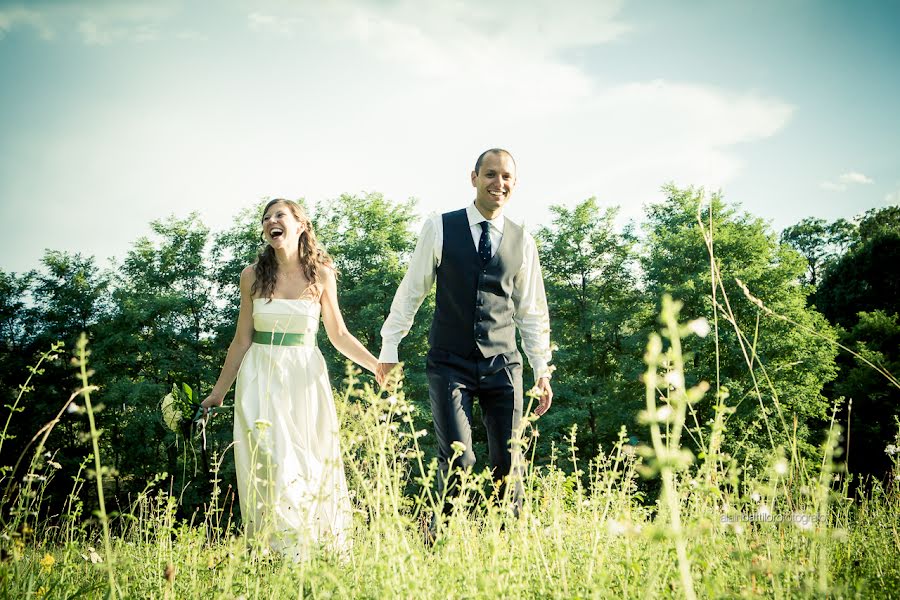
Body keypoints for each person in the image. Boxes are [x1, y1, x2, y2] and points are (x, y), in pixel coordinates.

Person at [377, 148, 554, 532]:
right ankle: (436, 538)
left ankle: (507, 548)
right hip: (449, 362)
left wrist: (542, 368)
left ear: (515, 184)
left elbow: (531, 311)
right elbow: (412, 291)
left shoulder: (523, 240)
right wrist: (389, 347)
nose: (499, 183)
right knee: (459, 458)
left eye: (506, 177)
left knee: (508, 461)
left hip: (503, 363)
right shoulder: (440, 227)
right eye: (490, 174)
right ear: (473, 178)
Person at [201, 198, 380, 559]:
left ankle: (315, 552)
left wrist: (377, 367)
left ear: (301, 224)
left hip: (304, 376)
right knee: (272, 462)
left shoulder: (321, 275)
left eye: (279, 215)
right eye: (266, 218)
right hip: (260, 376)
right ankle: (280, 554)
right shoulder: (252, 276)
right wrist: (218, 393)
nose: (271, 222)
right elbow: (241, 339)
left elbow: (339, 335)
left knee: (309, 462)